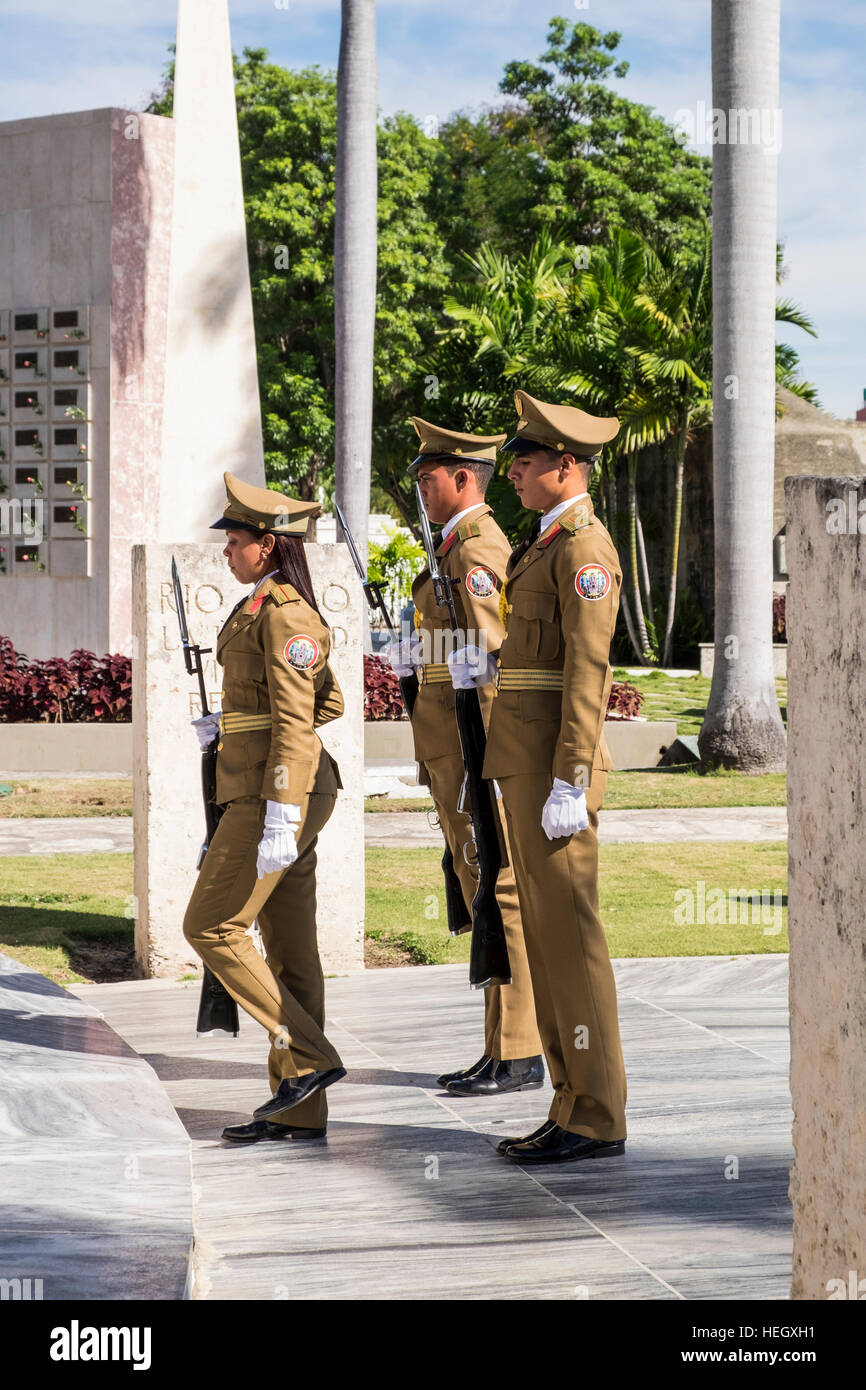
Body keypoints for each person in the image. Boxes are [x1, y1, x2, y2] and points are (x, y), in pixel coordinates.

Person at [449, 389, 628, 1164]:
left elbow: (589, 672)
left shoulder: (584, 551)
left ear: (566, 465)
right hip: (524, 765)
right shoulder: (542, 546)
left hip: (554, 768)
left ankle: (597, 1112)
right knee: (550, 947)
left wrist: (571, 778)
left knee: (572, 944)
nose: (512, 476)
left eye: (523, 464)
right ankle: (569, 1100)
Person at [183, 472, 346, 1146]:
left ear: (270, 545)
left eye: (238, 540)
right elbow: (323, 701)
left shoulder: (286, 614)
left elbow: (298, 724)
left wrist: (282, 808)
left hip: (274, 795)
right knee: (290, 950)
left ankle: (309, 1062)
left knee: (211, 924)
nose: (227, 549)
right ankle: (297, 1107)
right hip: (272, 787)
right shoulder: (261, 609)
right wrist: (235, 722)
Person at [384, 417, 543, 1097]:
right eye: (418, 478)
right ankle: (495, 1048)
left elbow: (494, 667)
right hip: (451, 754)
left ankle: (519, 1050)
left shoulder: (475, 553)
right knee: (481, 887)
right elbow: (455, 658)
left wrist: (496, 770)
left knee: (501, 891)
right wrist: (415, 662)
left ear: (461, 479)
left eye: (428, 479)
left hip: (478, 756)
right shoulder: (447, 553)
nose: (421, 489)